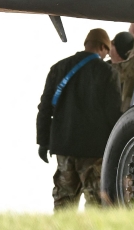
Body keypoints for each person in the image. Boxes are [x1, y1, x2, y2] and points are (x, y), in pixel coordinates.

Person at [36, 28, 121, 210]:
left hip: (64, 148)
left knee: (64, 204)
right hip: (94, 151)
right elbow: (113, 114)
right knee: (97, 204)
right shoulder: (108, 72)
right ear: (102, 47)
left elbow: (44, 108)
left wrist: (43, 142)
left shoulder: (59, 68)